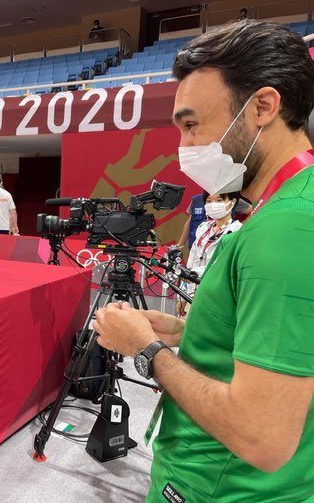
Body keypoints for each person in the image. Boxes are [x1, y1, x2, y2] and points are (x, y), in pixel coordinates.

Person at [94, 20, 314, 502]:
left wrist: (147, 352)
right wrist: (179, 333)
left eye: (192, 125)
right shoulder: (285, 210)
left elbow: (262, 436)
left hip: (221, 487)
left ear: (262, 107)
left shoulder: (287, 229)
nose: (185, 148)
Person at [176, 191, 241, 316]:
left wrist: (196, 273)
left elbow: (222, 267)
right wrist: (183, 297)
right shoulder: (203, 228)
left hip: (218, 298)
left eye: (219, 200)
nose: (213, 205)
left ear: (232, 203)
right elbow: (191, 263)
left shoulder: (236, 231)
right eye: (209, 201)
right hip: (195, 296)